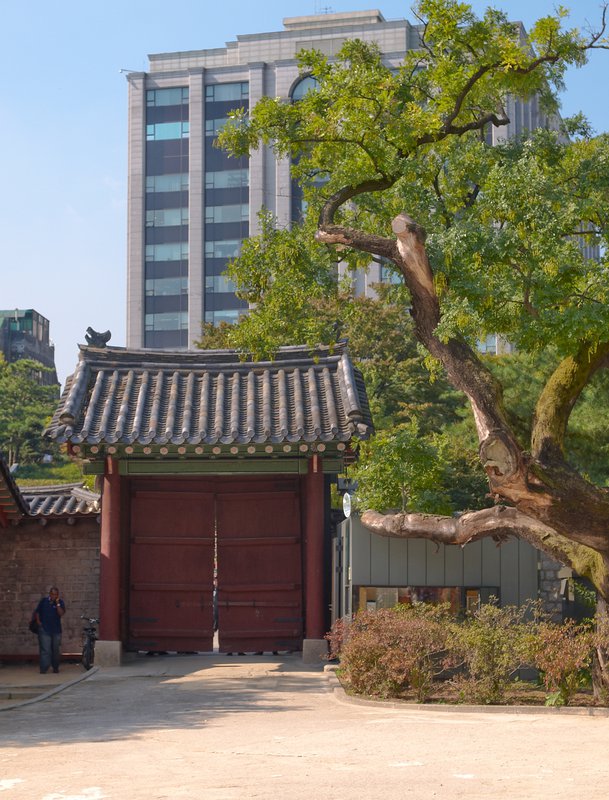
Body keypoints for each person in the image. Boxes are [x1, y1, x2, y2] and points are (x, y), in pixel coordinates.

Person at [35, 586, 66, 674]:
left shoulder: (60, 602)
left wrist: (57, 604)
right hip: (44, 629)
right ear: (49, 594)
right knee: (46, 650)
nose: (54, 596)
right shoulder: (44, 601)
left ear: (58, 595)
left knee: (55, 650)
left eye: (56, 594)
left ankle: (55, 667)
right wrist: (39, 622)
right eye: (52, 594)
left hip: (56, 630)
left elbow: (61, 613)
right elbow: (37, 611)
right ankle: (43, 669)